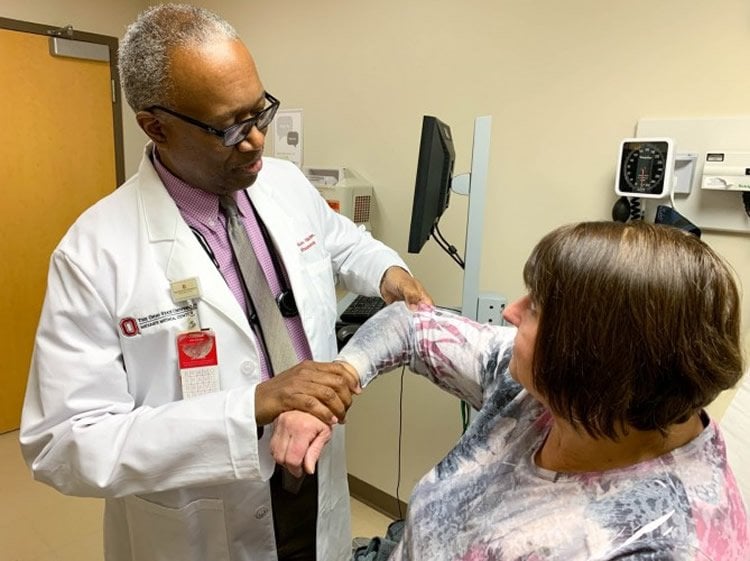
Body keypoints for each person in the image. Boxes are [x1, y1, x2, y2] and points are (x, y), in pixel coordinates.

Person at [19, 4, 430, 561]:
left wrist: (389, 273)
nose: (257, 140)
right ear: (155, 125)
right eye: (230, 127)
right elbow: (63, 443)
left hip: (314, 480)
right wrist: (251, 406)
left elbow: (340, 239)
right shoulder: (95, 252)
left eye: (260, 113)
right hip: (202, 517)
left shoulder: (283, 185)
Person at [274, 221, 749, 560]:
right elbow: (409, 324)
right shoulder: (551, 390)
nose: (511, 312)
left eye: (537, 307)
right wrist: (332, 384)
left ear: (590, 354)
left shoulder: (661, 542)